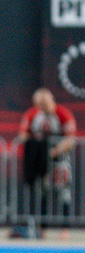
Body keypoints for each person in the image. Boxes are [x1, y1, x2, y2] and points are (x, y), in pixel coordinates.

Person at [17, 88, 77, 239]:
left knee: (63, 192)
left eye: (44, 104)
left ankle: (65, 227)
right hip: (41, 161)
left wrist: (54, 151)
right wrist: (36, 145)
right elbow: (22, 134)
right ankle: (42, 228)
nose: (42, 107)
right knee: (43, 191)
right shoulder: (33, 114)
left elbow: (71, 138)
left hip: (60, 160)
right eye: (39, 104)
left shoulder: (62, 113)